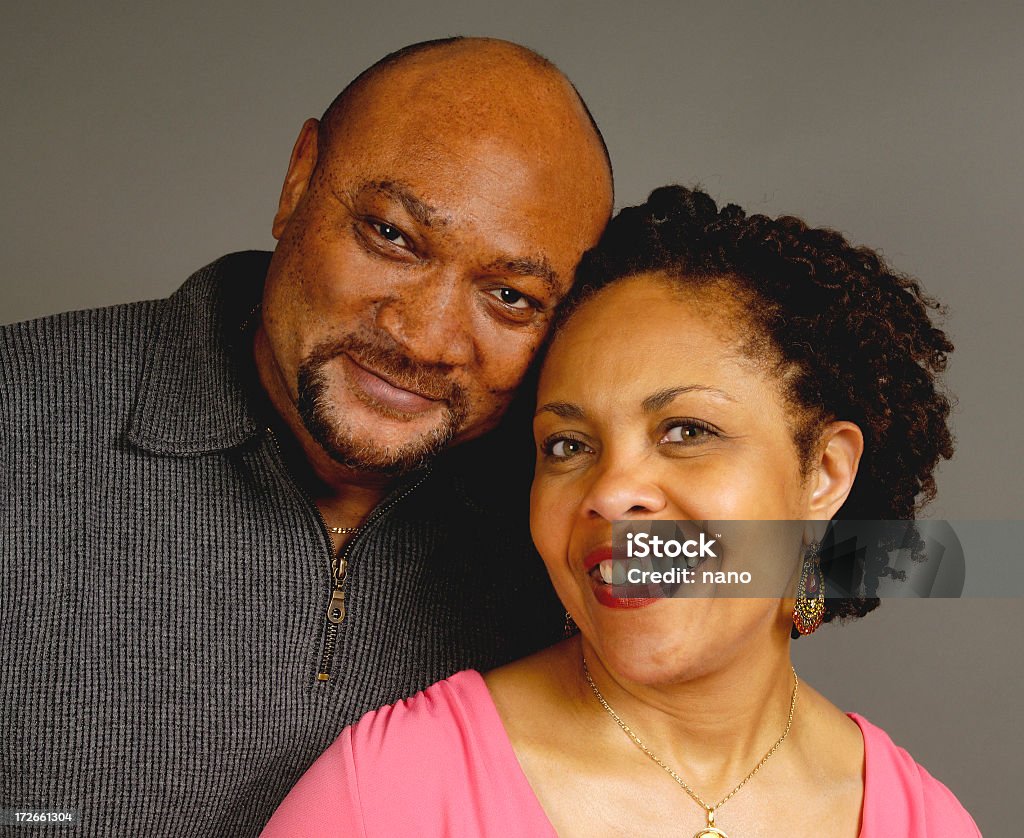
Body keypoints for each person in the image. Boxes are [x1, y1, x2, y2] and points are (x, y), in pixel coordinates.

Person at [0, 38, 613, 837]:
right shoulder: (17, 414)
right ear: (298, 180)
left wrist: (796, 579)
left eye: (509, 295)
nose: (426, 339)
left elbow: (812, 557)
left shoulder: (560, 502)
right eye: (392, 237)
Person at [262, 186, 979, 837]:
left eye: (686, 432)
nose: (608, 491)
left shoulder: (922, 821)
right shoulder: (390, 795)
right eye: (569, 444)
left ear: (824, 473)